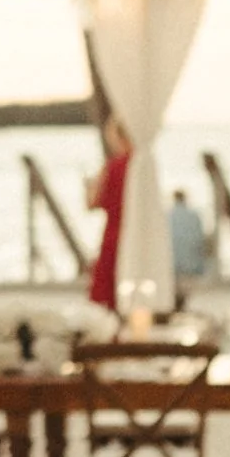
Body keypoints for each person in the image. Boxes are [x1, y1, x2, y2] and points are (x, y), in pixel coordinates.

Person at [85, 114, 131, 314]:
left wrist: (89, 187)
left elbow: (93, 203)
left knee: (106, 296)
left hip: (115, 235)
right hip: (136, 235)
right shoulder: (142, 166)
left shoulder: (114, 166)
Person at [167, 185, 211, 293]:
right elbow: (199, 237)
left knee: (175, 285)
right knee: (187, 286)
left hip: (173, 256)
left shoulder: (168, 215)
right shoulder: (194, 215)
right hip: (190, 256)